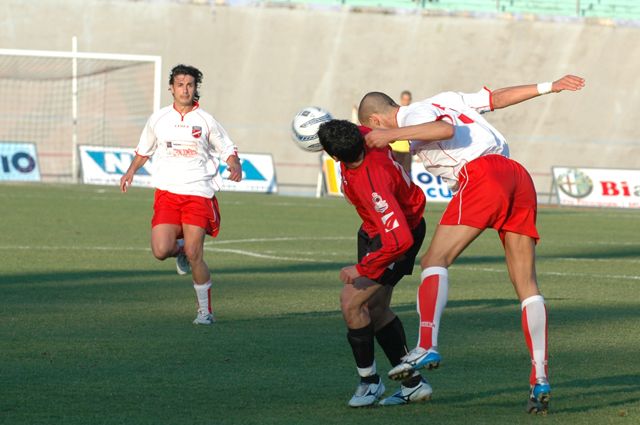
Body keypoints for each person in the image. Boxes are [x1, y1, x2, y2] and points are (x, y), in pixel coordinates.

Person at [357, 75, 585, 414]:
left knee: (435, 260)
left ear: (375, 120)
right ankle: (540, 377)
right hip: (516, 176)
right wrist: (549, 86)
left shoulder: (411, 116)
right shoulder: (446, 99)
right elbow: (497, 98)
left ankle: (426, 344)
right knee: (527, 285)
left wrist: (389, 135)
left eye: (373, 129)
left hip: (482, 175)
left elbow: (443, 131)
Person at [317, 120, 431, 407]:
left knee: (352, 302)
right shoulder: (365, 137)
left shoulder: (372, 184)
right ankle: (413, 384)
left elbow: (400, 241)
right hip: (375, 229)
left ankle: (370, 382)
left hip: (393, 234)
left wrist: (364, 268)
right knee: (376, 309)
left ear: (334, 157)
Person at [120, 64, 242, 325]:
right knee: (161, 249)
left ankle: (204, 312)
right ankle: (181, 252)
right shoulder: (159, 119)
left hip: (198, 192)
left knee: (197, 252)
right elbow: (144, 150)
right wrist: (131, 171)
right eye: (180, 85)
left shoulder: (206, 121)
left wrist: (234, 163)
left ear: (195, 88)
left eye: (189, 85)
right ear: (171, 89)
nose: (185, 89)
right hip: (167, 192)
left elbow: (227, 148)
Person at [388, 90, 413, 175]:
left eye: (408, 99)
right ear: (401, 100)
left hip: (407, 150)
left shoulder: (412, 114)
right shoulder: (396, 112)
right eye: (404, 99)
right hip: (394, 149)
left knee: (407, 174)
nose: (406, 101)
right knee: (394, 173)